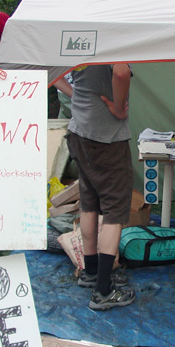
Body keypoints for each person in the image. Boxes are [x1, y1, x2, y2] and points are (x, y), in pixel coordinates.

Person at [65, 63, 135, 310]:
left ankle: (91, 272)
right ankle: (103, 291)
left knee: (89, 203)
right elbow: (121, 72)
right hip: (106, 137)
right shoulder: (112, 30)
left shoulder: (82, 31)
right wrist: (118, 107)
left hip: (79, 130)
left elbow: (52, 74)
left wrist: (79, 97)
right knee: (115, 211)